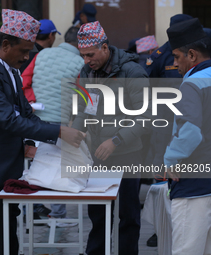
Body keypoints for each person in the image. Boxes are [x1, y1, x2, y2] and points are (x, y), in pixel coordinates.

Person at [0, 9, 84, 255]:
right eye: (24, 51)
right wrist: (59, 132)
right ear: (6, 45)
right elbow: (9, 121)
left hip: (6, 171)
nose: (27, 57)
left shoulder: (11, 72)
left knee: (8, 243)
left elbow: (26, 114)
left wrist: (51, 140)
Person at [71, 21, 152, 255]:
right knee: (98, 213)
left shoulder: (133, 72)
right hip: (97, 155)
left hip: (128, 153)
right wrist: (76, 134)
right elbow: (83, 108)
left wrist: (116, 140)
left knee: (128, 215)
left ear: (105, 48)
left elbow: (147, 116)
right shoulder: (87, 72)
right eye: (82, 55)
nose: (86, 60)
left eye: (90, 54)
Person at [22, 26, 84, 227]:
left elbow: (24, 81)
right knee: (59, 165)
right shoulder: (80, 62)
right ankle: (58, 216)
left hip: (35, 120)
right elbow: (81, 96)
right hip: (61, 123)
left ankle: (28, 211)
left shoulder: (42, 55)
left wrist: (32, 103)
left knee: (33, 163)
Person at [144, 14, 193, 247]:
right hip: (164, 124)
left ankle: (187, 222)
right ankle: (159, 226)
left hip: (192, 122)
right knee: (161, 177)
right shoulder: (160, 56)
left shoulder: (197, 52)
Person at [164, 18, 211, 255]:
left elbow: (190, 132)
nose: (174, 64)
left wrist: (169, 160)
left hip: (194, 186)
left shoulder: (192, 84)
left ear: (191, 55)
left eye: (176, 57)